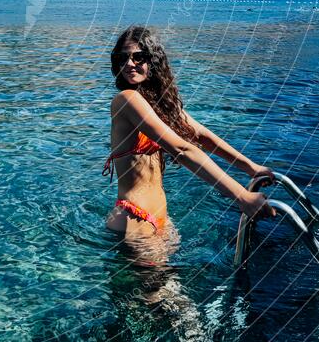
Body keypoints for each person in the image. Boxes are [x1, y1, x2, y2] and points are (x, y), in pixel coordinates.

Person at [103, 25, 276, 244]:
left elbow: (201, 135)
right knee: (163, 279)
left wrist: (250, 167)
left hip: (158, 219)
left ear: (153, 61)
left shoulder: (155, 103)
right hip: (135, 217)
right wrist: (242, 197)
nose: (129, 64)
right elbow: (181, 149)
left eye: (139, 57)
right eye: (122, 58)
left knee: (172, 278)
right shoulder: (127, 100)